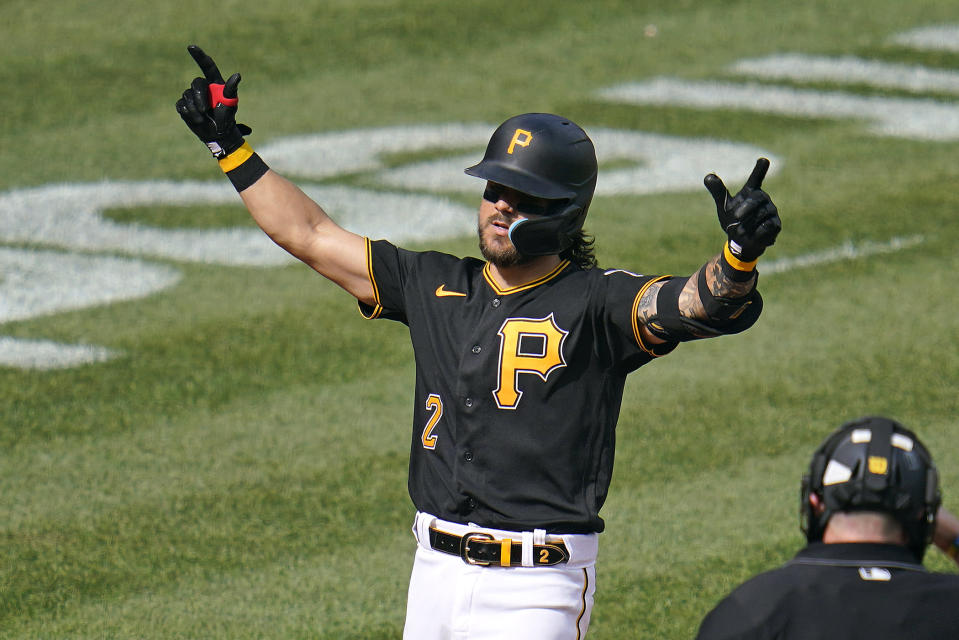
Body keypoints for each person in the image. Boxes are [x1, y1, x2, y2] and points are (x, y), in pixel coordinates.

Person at [175, 45, 781, 639]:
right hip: (433, 576)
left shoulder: (598, 302)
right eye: (494, 188)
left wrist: (738, 256)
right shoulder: (434, 283)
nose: (499, 205)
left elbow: (693, 305)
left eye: (522, 197)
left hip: (536, 588)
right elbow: (308, 234)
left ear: (565, 211)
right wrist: (228, 148)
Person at [695, 416, 959, 640]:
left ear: (814, 503)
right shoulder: (950, 603)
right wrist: (954, 538)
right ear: (926, 516)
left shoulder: (755, 606)